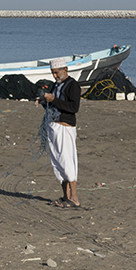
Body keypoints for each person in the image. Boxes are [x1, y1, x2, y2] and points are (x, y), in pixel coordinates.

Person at [39, 57, 81, 207]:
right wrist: (43, 101)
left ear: (65, 70)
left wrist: (53, 100)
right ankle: (65, 196)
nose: (55, 76)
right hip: (53, 127)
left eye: (56, 73)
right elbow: (52, 105)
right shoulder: (54, 85)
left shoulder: (73, 85)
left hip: (66, 127)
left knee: (67, 160)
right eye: (52, 73)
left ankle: (74, 198)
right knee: (57, 162)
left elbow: (74, 108)